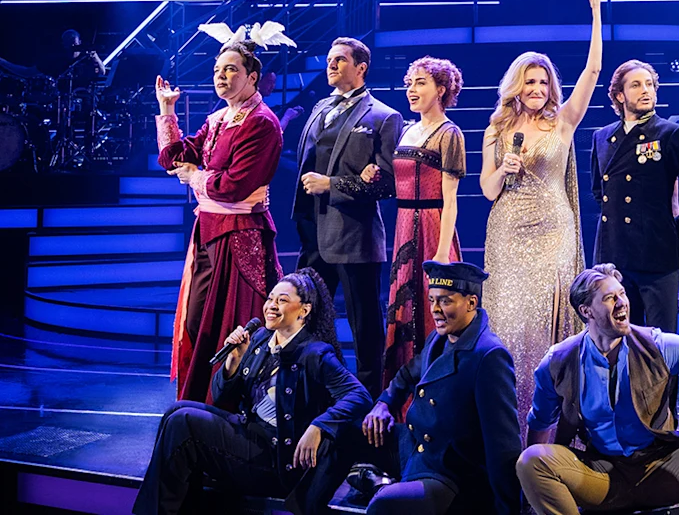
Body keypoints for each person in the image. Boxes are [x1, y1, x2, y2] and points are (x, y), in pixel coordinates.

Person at [517, 263, 679, 515]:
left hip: (662, 466)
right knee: (530, 461)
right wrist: (531, 494)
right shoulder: (559, 360)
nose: (622, 303)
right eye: (610, 298)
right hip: (601, 474)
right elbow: (540, 423)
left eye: (622, 294)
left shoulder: (657, 345)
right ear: (586, 311)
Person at [132, 268, 373, 515]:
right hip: (250, 432)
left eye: (282, 300)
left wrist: (319, 426)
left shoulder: (315, 353)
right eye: (270, 298)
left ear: (304, 310)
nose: (271, 306)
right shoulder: (261, 339)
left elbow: (359, 396)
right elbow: (221, 398)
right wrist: (234, 361)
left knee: (182, 423)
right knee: (176, 411)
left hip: (276, 457)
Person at [480, 0, 603, 436]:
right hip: (508, 233)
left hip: (553, 232)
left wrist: (596, 11)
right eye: (529, 81)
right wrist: (504, 168)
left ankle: (550, 430)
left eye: (543, 81)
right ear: (517, 85)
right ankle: (506, 427)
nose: (536, 88)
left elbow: (593, 70)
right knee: (510, 324)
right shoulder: (496, 128)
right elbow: (487, 190)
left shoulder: (563, 121)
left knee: (544, 326)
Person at [155, 39, 284, 404]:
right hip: (209, 232)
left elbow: (233, 185)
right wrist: (167, 110)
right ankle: (199, 402)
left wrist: (196, 176)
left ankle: (231, 408)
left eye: (230, 69)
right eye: (217, 70)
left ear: (252, 77)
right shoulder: (218, 119)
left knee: (234, 324)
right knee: (198, 321)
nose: (221, 76)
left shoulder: (261, 123)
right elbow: (173, 159)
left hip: (240, 235)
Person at [362, 261, 522, 515]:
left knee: (384, 503)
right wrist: (384, 403)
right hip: (416, 450)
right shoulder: (439, 337)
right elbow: (407, 373)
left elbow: (502, 443)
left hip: (451, 474)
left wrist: (507, 508)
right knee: (340, 432)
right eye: (432, 300)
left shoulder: (489, 355)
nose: (435, 310)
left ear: (471, 303)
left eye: (445, 301)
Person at [292, 37, 401, 399]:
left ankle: (368, 401)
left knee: (364, 326)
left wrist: (333, 184)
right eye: (329, 59)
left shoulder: (383, 116)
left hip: (354, 236)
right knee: (308, 320)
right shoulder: (320, 107)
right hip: (312, 233)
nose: (331, 65)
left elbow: (387, 183)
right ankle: (314, 394)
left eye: (340, 60)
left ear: (361, 67)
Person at [591, 59, 679, 336]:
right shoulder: (601, 137)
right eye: (636, 85)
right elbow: (600, 192)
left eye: (649, 84)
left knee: (661, 342)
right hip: (615, 254)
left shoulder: (670, 134)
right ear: (619, 95)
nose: (646, 90)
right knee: (620, 337)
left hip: (657, 254)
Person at [380, 56, 466, 397]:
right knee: (405, 310)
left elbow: (451, 199)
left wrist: (442, 251)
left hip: (432, 226)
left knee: (433, 310)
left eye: (420, 83)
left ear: (441, 89)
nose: (411, 90)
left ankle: (438, 394)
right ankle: (401, 395)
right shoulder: (406, 130)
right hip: (404, 226)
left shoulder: (449, 133)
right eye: (409, 83)